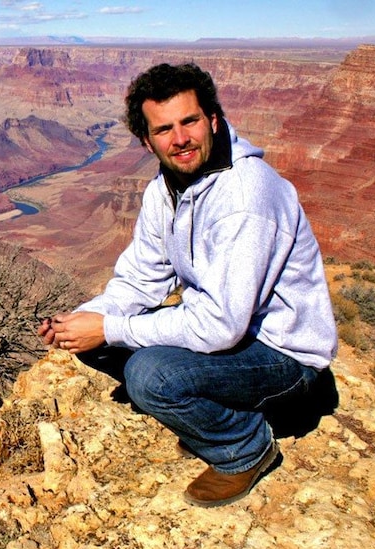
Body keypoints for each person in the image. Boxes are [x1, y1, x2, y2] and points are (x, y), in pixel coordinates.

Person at [37, 62, 337, 508]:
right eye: (164, 130)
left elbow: (220, 326)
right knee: (95, 339)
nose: (180, 139)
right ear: (147, 140)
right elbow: (142, 276)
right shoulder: (166, 189)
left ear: (212, 120)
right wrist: (86, 318)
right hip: (234, 342)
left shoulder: (244, 199)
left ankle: (245, 448)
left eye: (189, 121)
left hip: (284, 357)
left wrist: (112, 328)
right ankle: (216, 413)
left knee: (149, 374)